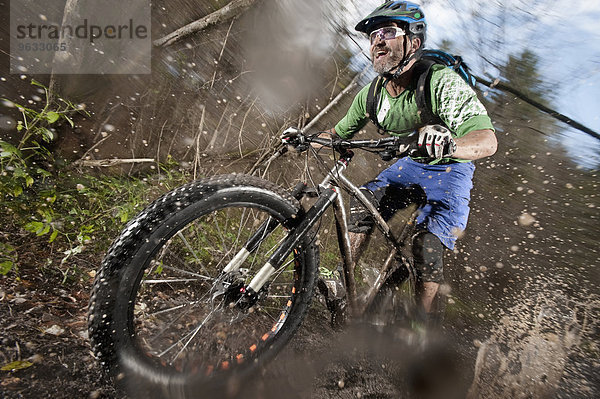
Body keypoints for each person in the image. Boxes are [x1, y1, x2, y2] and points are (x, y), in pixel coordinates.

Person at [321, 1, 497, 320]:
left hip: (451, 169)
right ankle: (339, 285)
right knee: (365, 201)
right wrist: (303, 138)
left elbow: (487, 140)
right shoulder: (372, 95)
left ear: (413, 42)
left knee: (426, 246)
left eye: (389, 31)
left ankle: (420, 332)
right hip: (410, 167)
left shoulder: (440, 82)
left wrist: (449, 142)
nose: (378, 40)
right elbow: (338, 133)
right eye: (373, 35)